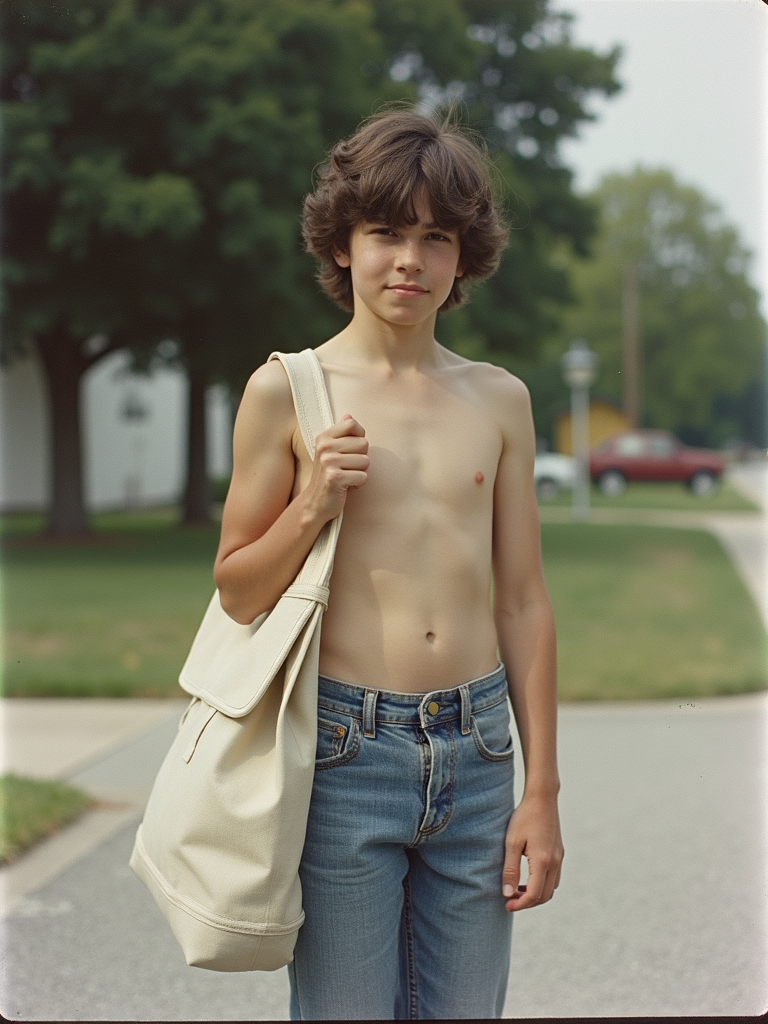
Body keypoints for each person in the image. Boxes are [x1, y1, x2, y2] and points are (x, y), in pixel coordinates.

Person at [213, 108, 564, 1021]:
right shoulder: (286, 390)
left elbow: (523, 602)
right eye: (385, 233)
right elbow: (238, 590)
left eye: (434, 237)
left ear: (463, 256)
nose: (409, 259)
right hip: (343, 751)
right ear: (341, 243)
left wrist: (543, 792)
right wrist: (312, 503)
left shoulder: (500, 399)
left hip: (481, 751)